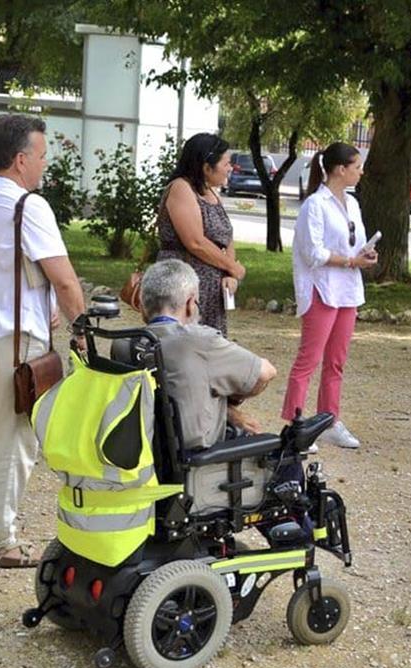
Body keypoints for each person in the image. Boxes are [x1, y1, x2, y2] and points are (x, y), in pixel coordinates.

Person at [0, 114, 86, 568]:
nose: (45, 165)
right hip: (14, 338)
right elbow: (63, 280)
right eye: (42, 156)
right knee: (15, 440)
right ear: (21, 158)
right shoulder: (28, 206)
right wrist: (82, 330)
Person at [279, 142, 376, 449]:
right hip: (322, 290)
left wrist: (363, 254)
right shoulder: (315, 205)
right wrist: (350, 261)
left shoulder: (353, 203)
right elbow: (313, 253)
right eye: (357, 166)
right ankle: (295, 425)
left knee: (336, 362)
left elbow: (352, 241)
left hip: (347, 291)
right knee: (308, 360)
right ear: (340, 169)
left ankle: (329, 420)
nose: (361, 172)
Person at [139, 260, 276, 451]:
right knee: (288, 456)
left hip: (146, 451)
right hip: (195, 458)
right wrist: (233, 397)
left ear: (143, 305)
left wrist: (228, 411)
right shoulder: (199, 342)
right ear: (189, 303)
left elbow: (162, 398)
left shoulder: (123, 344)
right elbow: (265, 372)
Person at [156, 132, 245, 336]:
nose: (230, 169)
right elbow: (195, 242)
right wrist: (232, 267)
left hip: (210, 289)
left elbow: (226, 237)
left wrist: (230, 274)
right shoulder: (181, 188)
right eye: (226, 164)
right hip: (182, 284)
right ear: (206, 167)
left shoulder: (211, 193)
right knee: (184, 347)